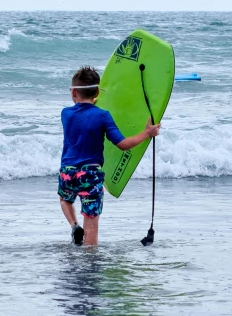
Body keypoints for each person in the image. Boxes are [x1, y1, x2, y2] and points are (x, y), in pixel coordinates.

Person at [60, 66, 160, 246]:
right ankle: (90, 262)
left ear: (74, 92)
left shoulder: (65, 114)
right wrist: (146, 134)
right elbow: (122, 144)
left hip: (68, 171)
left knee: (65, 200)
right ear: (97, 92)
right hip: (90, 173)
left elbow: (81, 112)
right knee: (91, 220)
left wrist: (90, 99)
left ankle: (74, 226)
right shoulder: (103, 116)